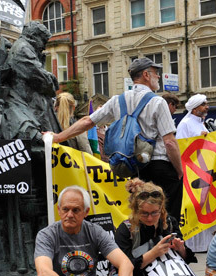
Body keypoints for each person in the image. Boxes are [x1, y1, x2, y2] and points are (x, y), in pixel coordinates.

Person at [49, 58, 183, 220]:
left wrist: (57, 137)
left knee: (141, 218)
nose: (159, 77)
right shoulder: (158, 102)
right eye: (156, 73)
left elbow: (87, 121)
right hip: (159, 167)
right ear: (146, 75)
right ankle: (170, 243)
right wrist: (179, 171)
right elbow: (169, 142)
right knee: (169, 219)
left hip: (133, 170)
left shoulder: (117, 100)